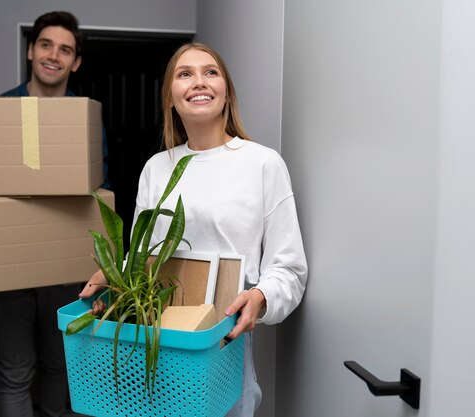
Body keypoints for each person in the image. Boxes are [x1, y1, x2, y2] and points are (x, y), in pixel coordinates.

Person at [79, 43, 308, 416]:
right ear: (170, 96)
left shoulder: (262, 164)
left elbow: (290, 269)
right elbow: (143, 257)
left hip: (224, 342)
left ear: (227, 92)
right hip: (156, 339)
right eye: (184, 74)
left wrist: (261, 297)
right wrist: (117, 279)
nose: (198, 82)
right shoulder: (157, 167)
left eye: (210, 72)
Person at [0, 11, 94, 417]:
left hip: (65, 267)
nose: (54, 55)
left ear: (75, 62)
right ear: (31, 50)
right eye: (46, 45)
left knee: (58, 365)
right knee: (15, 371)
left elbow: (100, 194)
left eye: (65, 49)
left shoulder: (85, 120)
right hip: (8, 260)